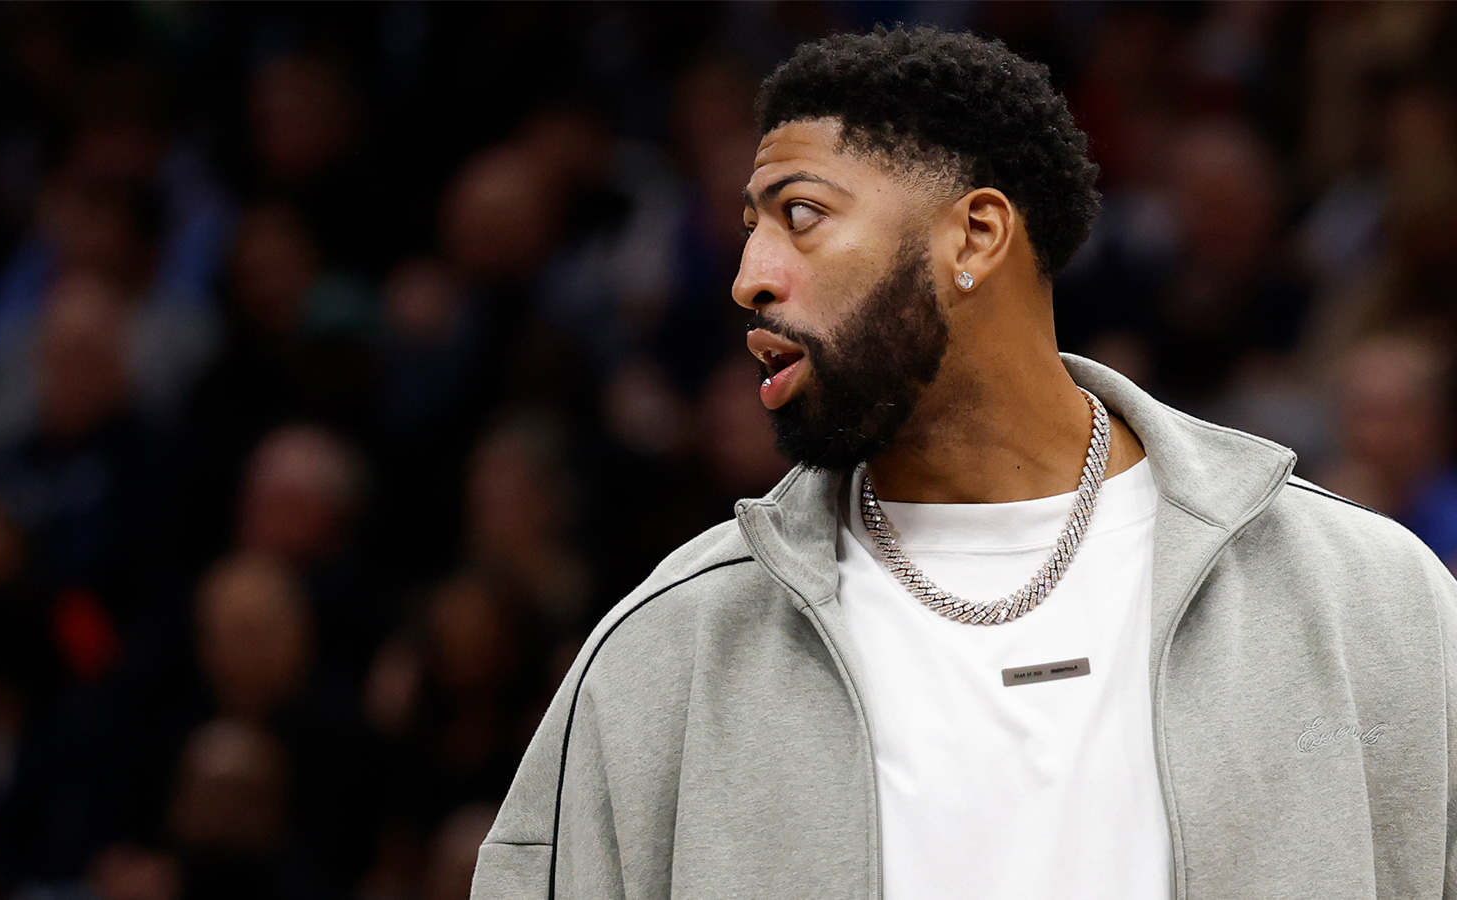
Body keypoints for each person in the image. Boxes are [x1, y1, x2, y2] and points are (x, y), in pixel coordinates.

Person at [472, 26, 1457, 900]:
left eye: (799, 215)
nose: (749, 278)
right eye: (749, 230)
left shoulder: (1364, 598)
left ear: (975, 236)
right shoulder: (666, 650)